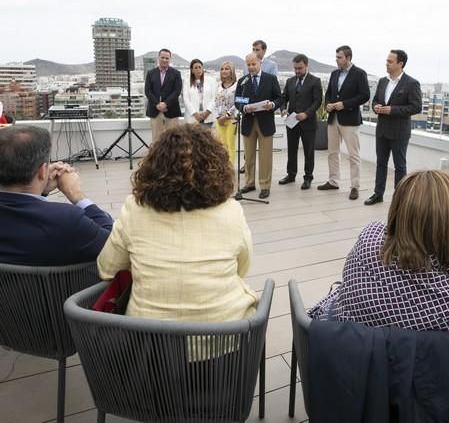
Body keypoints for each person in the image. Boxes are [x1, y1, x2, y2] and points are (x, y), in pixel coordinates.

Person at [309, 170, 449, 332]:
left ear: (397, 212)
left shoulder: (368, 237)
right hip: (411, 376)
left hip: (339, 358)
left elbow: (386, 230)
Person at [97, 124, 257, 324]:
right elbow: (242, 267)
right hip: (225, 339)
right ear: (216, 167)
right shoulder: (232, 211)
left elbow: (107, 268)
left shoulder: (134, 210)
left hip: (150, 341)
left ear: (154, 166)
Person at [0, 126, 112, 266]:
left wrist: (41, 190)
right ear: (42, 171)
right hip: (70, 288)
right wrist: (75, 194)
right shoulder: (67, 219)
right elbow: (114, 245)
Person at [365, 50, 422, 206]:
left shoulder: (411, 83)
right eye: (387, 61)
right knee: (381, 163)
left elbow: (416, 107)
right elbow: (375, 100)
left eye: (390, 61)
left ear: (400, 64)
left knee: (400, 166)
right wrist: (376, 106)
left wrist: (392, 110)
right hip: (382, 130)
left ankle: (400, 199)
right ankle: (378, 194)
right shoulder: (383, 81)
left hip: (399, 132)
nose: (387, 64)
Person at [318, 45, 370, 200]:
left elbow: (365, 95)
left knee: (354, 155)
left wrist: (345, 104)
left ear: (348, 58)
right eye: (336, 57)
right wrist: (327, 104)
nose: (337, 60)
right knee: (332, 152)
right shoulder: (334, 74)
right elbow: (328, 94)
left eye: (339, 57)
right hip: (333, 118)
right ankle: (333, 181)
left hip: (350, 120)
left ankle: (355, 186)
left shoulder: (360, 74)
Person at [236, 53, 282, 199]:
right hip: (248, 122)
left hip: (265, 122)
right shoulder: (243, 81)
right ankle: (249, 183)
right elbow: (238, 100)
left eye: (253, 64)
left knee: (265, 157)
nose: (250, 67)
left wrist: (272, 105)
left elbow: (280, 98)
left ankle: (265, 185)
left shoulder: (271, 79)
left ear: (259, 63)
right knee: (248, 156)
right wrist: (244, 108)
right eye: (248, 65)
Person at [279, 54, 323, 190]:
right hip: (292, 122)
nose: (297, 71)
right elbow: (284, 97)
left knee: (308, 152)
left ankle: (308, 177)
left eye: (300, 68)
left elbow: (317, 101)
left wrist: (306, 114)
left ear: (306, 66)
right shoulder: (290, 81)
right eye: (295, 68)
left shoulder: (315, 81)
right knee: (291, 150)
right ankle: (291, 174)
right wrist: (282, 109)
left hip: (308, 123)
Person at [144, 48, 183, 142]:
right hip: (155, 110)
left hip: (172, 110)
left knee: (173, 140)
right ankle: (157, 157)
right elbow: (147, 91)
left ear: (170, 59)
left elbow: (177, 91)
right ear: (159, 58)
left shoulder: (176, 73)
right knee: (156, 140)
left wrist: (165, 104)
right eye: (162, 57)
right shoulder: (150, 73)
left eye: (167, 58)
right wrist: (157, 104)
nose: (165, 60)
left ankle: (172, 157)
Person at [214, 61, 239, 166]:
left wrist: (227, 115)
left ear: (232, 71)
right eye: (222, 69)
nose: (224, 71)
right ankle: (223, 168)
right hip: (219, 120)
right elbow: (215, 101)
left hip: (231, 119)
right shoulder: (218, 85)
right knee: (222, 145)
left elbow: (238, 102)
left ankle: (230, 169)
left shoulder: (237, 85)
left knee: (230, 145)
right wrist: (218, 117)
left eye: (227, 68)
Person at [182, 59, 217, 126]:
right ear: (192, 70)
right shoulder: (187, 82)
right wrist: (195, 113)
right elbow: (186, 99)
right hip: (192, 118)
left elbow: (214, 98)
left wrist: (207, 112)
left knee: (206, 136)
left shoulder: (211, 81)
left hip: (208, 117)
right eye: (195, 68)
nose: (198, 69)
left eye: (200, 67)